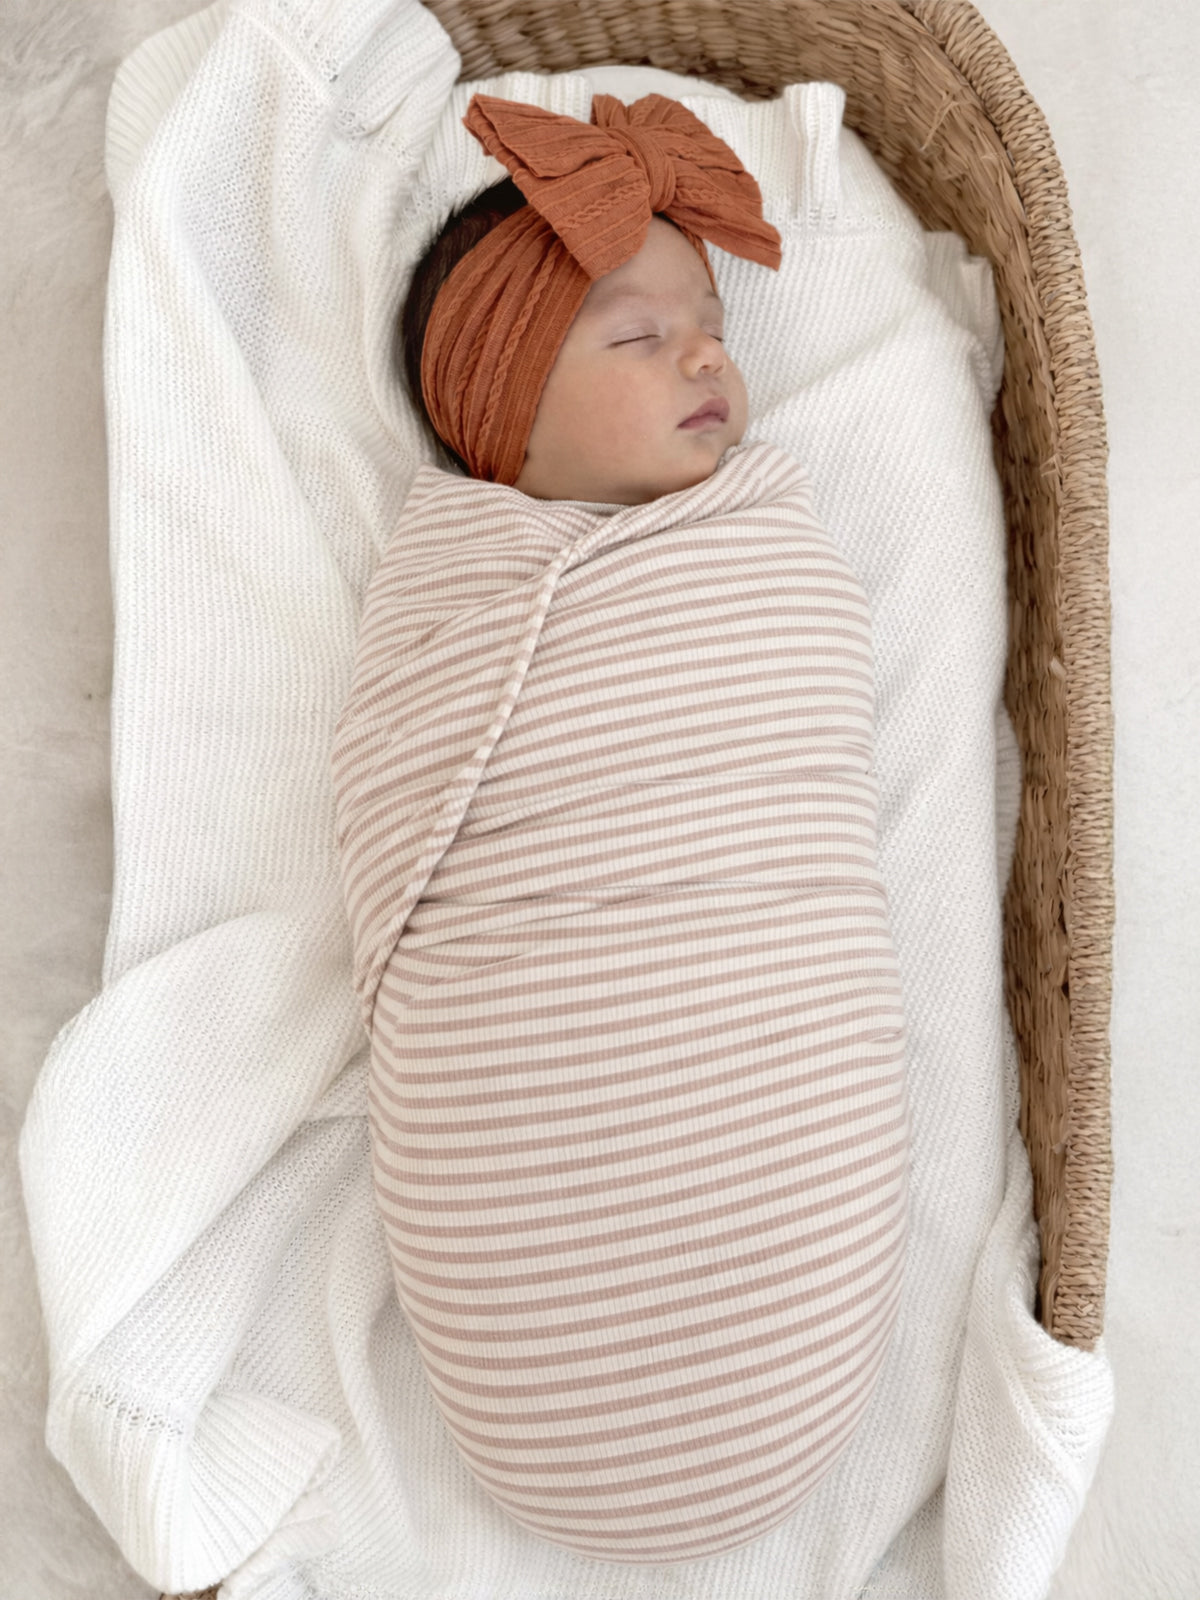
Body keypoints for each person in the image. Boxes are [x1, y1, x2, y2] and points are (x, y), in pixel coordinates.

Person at [331, 91, 909, 1565]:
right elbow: (394, 806)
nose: (707, 355)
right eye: (634, 337)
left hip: (762, 1042)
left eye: (707, 323)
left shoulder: (756, 544)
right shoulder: (447, 607)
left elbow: (803, 741)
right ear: (498, 413)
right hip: (527, 1067)